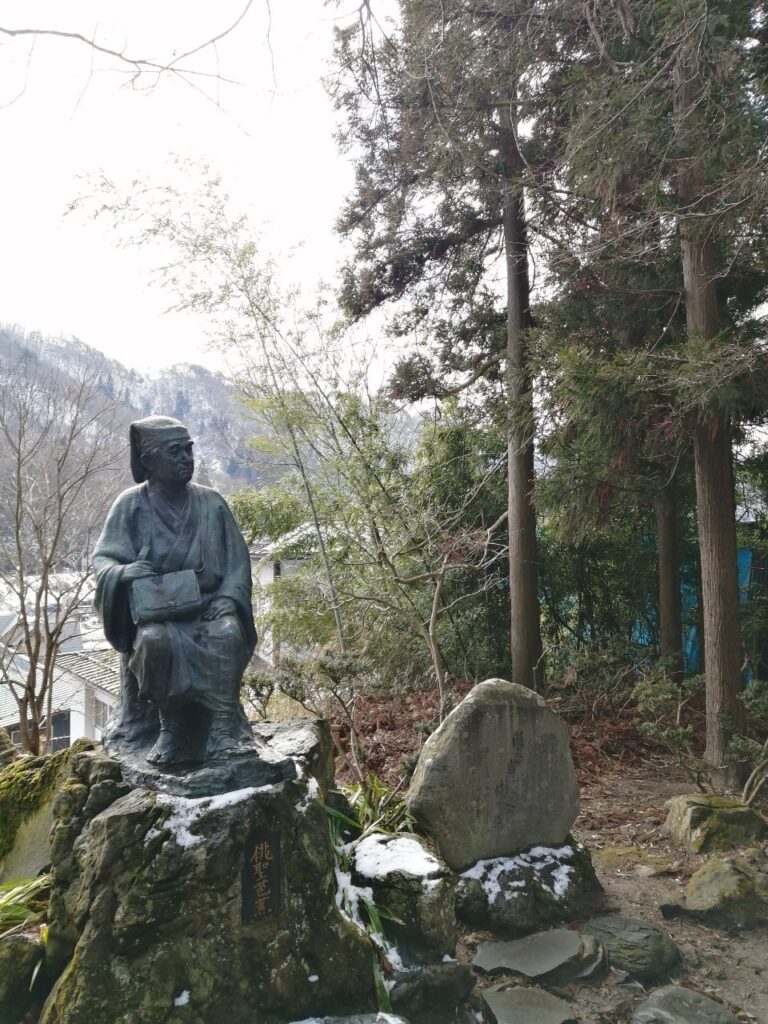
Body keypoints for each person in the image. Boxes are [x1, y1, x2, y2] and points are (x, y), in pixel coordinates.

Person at [93, 415, 256, 765]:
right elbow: (104, 559)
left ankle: (222, 729)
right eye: (174, 452)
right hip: (159, 613)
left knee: (228, 633)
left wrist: (229, 598)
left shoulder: (212, 503)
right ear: (149, 461)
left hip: (208, 607)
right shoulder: (130, 505)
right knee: (153, 642)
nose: (186, 458)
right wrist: (123, 572)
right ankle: (171, 728)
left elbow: (237, 563)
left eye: (188, 450)